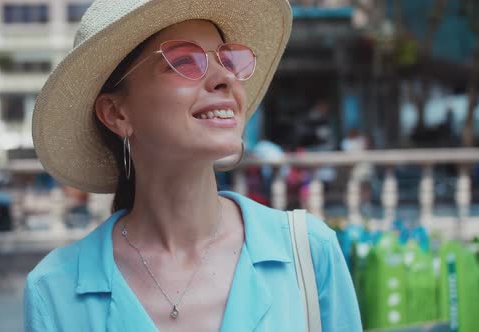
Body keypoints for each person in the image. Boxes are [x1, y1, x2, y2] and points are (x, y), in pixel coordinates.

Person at [24, 1, 362, 331]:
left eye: (229, 60)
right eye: (184, 61)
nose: (225, 78)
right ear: (116, 113)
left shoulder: (307, 252)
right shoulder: (55, 290)